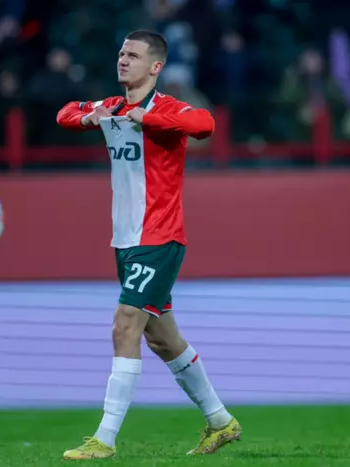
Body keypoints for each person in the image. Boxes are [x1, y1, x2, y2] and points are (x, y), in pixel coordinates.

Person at [56, 30, 241, 460]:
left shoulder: (167, 109)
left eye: (134, 55)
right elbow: (65, 112)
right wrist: (89, 119)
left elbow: (206, 124)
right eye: (122, 53)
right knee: (162, 339)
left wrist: (149, 120)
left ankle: (104, 440)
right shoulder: (112, 107)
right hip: (126, 240)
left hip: (159, 237)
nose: (123, 60)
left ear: (155, 67)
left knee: (125, 325)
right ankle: (221, 422)